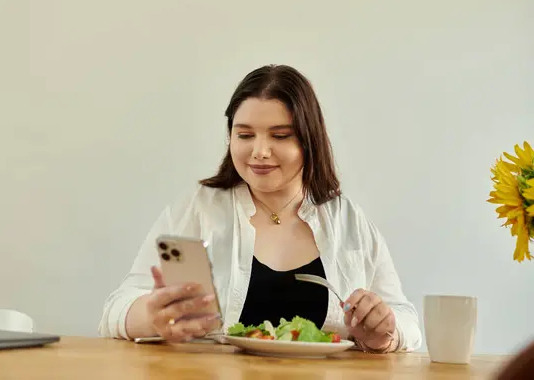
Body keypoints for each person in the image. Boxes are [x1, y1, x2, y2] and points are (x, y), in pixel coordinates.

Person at [98, 64, 422, 353]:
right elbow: (115, 310)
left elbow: (405, 319)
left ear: (310, 141)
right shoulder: (199, 209)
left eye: (280, 136)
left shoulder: (347, 219)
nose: (260, 152)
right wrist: (150, 317)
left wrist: (385, 334)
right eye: (245, 135)